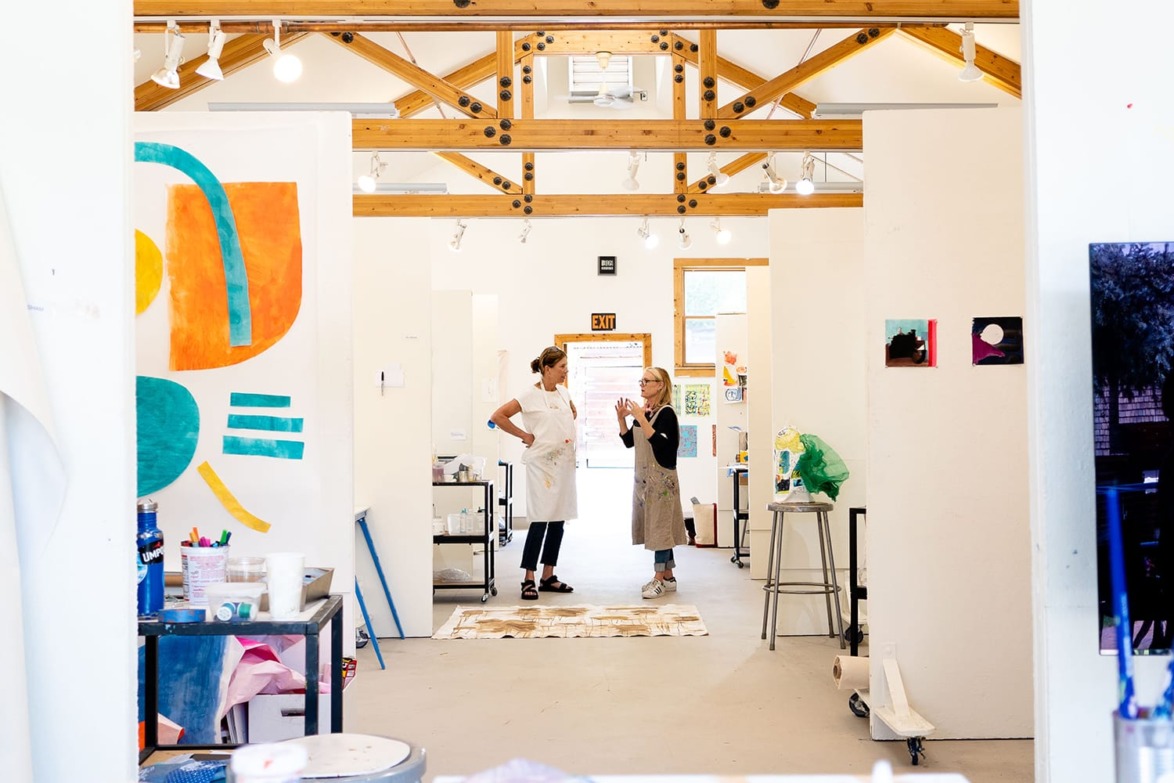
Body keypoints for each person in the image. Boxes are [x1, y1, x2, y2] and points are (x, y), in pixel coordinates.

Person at [489, 346, 578, 601]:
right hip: (542, 466)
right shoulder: (529, 395)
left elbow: (571, 412)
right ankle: (528, 576)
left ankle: (548, 575)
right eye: (562, 367)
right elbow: (498, 416)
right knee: (540, 519)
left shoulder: (563, 393)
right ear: (547, 369)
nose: (566, 371)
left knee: (558, 519)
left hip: (563, 464)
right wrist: (525, 435)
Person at [616, 366, 688, 599]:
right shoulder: (646, 412)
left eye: (647, 381)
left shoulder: (667, 414)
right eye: (641, 381)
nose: (642, 385)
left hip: (662, 482)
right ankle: (668, 577)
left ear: (660, 385)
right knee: (659, 526)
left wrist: (640, 418)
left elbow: (664, 445)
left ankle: (658, 579)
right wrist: (622, 419)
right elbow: (630, 441)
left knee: (660, 528)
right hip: (645, 482)